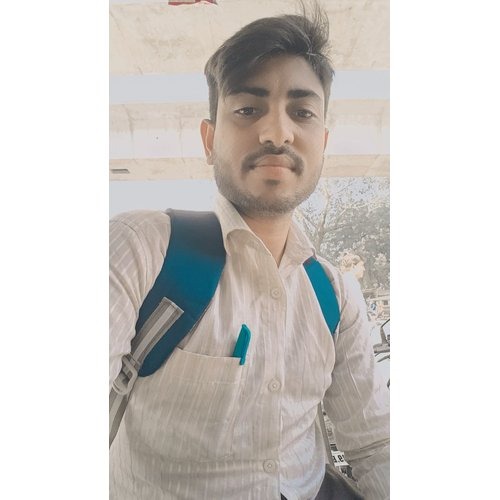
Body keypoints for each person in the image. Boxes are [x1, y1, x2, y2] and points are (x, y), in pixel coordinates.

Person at [109, 6, 390, 500]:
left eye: (302, 113)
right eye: (247, 109)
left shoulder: (335, 295)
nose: (277, 133)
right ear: (210, 140)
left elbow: (374, 445)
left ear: (322, 143)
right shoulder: (141, 249)